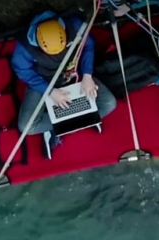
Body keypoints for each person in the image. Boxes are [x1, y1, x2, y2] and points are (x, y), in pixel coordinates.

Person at [11, 10, 117, 159]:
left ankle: (68, 121)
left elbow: (88, 45)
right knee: (27, 126)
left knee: (109, 103)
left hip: (73, 73)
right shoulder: (24, 47)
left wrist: (87, 75)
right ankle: (79, 119)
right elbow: (23, 71)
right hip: (43, 81)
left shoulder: (74, 26)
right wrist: (50, 91)